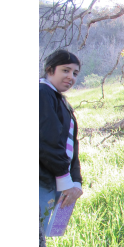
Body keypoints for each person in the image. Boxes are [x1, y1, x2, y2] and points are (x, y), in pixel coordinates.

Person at [39, 49, 85, 232]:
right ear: (50, 69)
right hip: (43, 181)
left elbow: (71, 145)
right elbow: (46, 142)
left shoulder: (61, 100)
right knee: (39, 234)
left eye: (75, 73)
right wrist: (66, 181)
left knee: (50, 233)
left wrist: (76, 181)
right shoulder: (42, 93)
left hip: (60, 181)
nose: (71, 77)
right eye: (65, 70)